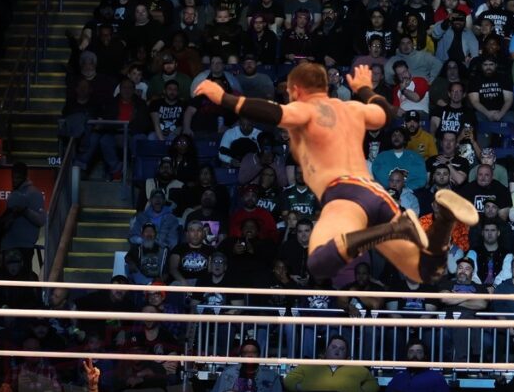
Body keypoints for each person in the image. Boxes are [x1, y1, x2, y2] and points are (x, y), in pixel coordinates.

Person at [193, 63, 478, 285]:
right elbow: (386, 113)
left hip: (345, 196)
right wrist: (365, 88)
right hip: (372, 191)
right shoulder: (352, 108)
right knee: (427, 271)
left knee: (318, 263)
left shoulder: (308, 109)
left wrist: (226, 98)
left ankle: (392, 229)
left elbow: (270, 112)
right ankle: (443, 220)